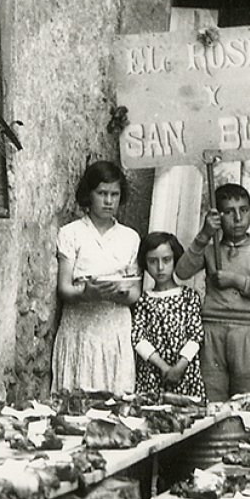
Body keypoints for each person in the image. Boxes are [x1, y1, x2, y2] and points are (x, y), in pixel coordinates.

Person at [175, 183, 250, 402]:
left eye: (243, 210)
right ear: (217, 216)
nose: (237, 218)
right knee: (213, 400)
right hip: (212, 331)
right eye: (228, 212)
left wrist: (237, 281)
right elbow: (181, 271)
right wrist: (204, 234)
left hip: (249, 333)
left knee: (248, 401)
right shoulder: (210, 248)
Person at [53, 161, 141, 394]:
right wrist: (86, 293)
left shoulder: (130, 238)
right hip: (81, 328)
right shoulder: (71, 233)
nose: (109, 201)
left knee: (114, 400)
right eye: (102, 193)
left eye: (114, 194)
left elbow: (134, 294)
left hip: (114, 329)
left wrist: (119, 293)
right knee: (77, 398)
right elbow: (64, 288)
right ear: (88, 195)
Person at [131, 232, 206, 402]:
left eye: (166, 260)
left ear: (176, 260)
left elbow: (196, 335)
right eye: (152, 261)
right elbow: (138, 338)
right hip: (153, 372)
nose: (160, 267)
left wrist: (179, 367)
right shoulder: (144, 299)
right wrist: (164, 368)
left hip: (185, 372)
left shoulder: (188, 296)